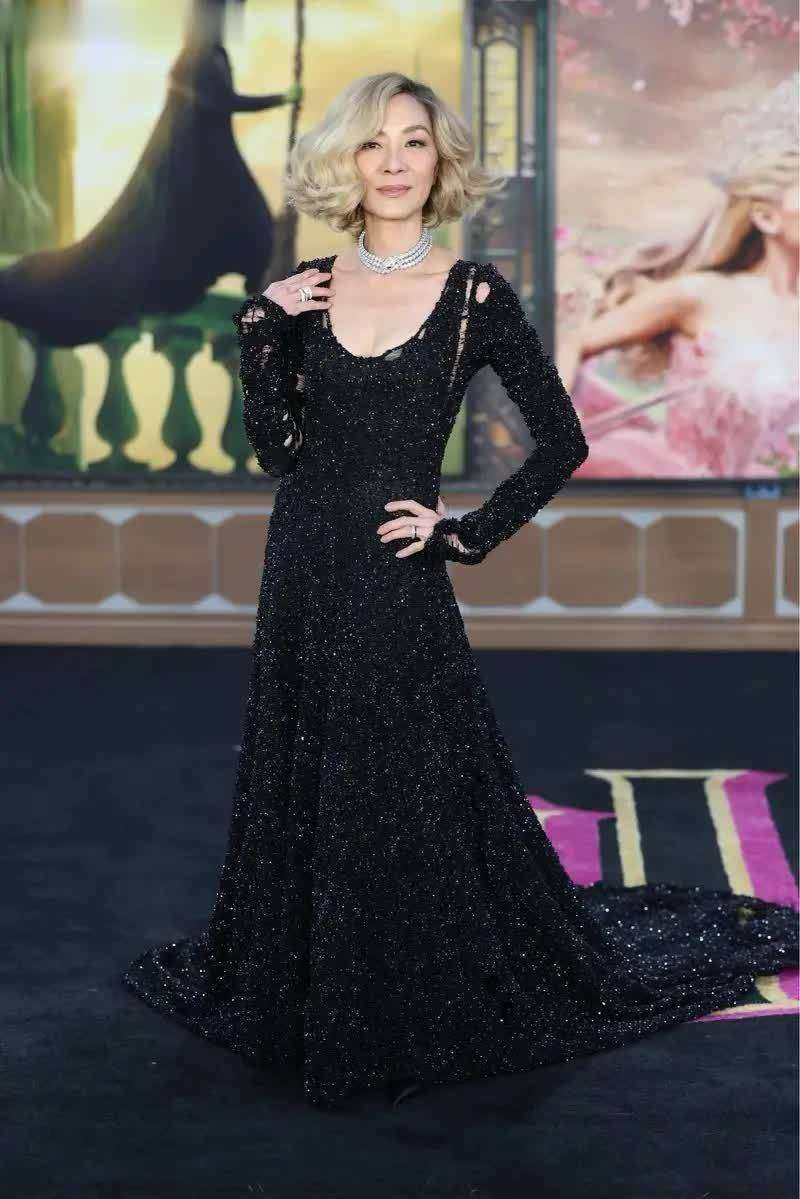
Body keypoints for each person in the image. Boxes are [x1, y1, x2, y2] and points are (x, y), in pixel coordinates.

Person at [121, 72, 798, 1111]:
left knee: (396, 776)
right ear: (347, 162)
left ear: (438, 162)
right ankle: (315, 973)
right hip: (300, 565)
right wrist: (259, 328)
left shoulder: (473, 293)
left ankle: (391, 984)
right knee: (309, 766)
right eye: (372, 143)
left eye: (413, 142)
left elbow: (560, 439)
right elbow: (278, 450)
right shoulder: (303, 288)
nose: (392, 161)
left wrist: (465, 531)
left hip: (397, 576)